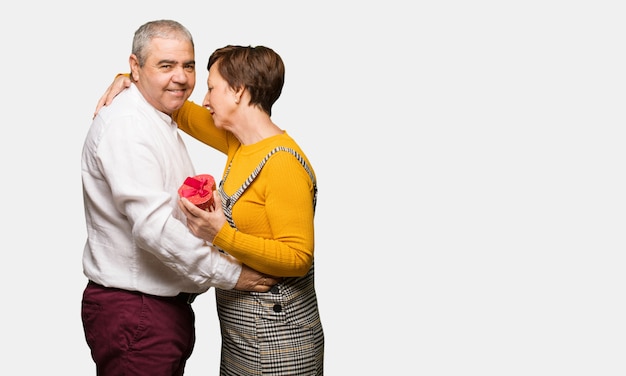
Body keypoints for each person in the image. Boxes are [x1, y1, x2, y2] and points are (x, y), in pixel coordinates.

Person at [96, 45, 324, 375]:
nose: (204, 99)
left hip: (281, 338)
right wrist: (129, 78)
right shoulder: (240, 142)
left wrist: (220, 234)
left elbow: (298, 258)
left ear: (239, 92)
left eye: (212, 88)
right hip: (242, 332)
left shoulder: (283, 164)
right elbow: (178, 109)